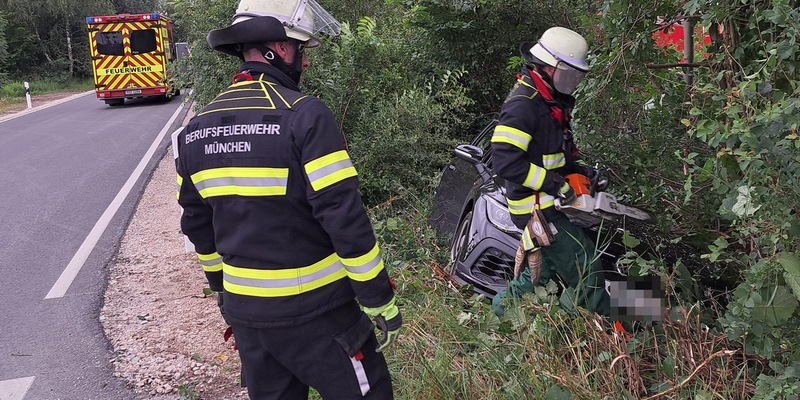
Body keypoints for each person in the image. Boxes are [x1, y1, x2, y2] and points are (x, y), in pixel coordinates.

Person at [173, 1, 401, 398]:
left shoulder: (196, 129)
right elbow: (342, 215)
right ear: (278, 48)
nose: (305, 64)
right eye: (302, 50)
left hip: (248, 318)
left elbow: (196, 225)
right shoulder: (304, 115)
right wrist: (377, 296)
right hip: (319, 313)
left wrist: (223, 291)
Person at [489, 26, 610, 318]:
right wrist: (556, 185)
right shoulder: (524, 105)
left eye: (577, 76)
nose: (573, 82)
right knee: (585, 265)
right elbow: (504, 161)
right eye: (569, 74)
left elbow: (554, 156)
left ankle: (498, 316)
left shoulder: (550, 103)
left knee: (542, 276)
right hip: (536, 208)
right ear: (547, 66)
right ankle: (614, 331)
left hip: (549, 204)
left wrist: (580, 173)